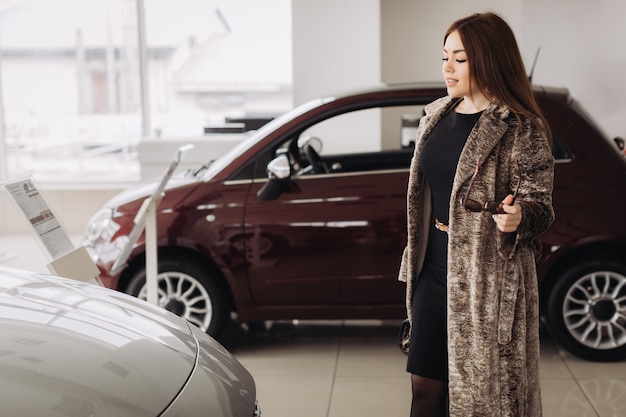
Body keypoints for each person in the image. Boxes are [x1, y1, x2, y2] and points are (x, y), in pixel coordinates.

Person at [397, 12, 555, 417]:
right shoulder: (436, 116)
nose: (447, 68)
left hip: (486, 279)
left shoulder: (519, 128)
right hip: (433, 266)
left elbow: (541, 204)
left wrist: (521, 216)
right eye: (444, 57)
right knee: (424, 388)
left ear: (489, 60)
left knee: (486, 400)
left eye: (460, 59)